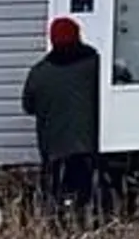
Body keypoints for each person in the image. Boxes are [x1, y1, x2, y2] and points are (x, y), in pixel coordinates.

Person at [24, 15, 104, 221]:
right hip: (88, 147)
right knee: (87, 196)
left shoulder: (39, 73)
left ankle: (59, 226)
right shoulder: (95, 65)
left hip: (53, 150)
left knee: (56, 197)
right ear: (78, 36)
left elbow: (28, 106)